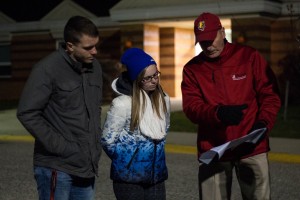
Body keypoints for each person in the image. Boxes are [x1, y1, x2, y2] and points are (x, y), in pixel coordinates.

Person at [181, 12, 281, 200]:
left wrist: (263, 123)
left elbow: (270, 94)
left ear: (222, 31)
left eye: (211, 39)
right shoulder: (192, 69)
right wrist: (216, 113)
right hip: (213, 148)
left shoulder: (249, 56)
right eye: (202, 42)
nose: (208, 46)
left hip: (251, 146)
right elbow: (191, 107)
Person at [17, 16, 103, 200]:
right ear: (70, 46)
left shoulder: (95, 68)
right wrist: (62, 147)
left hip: (86, 167)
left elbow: (95, 109)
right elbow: (27, 112)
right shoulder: (46, 69)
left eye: (96, 45)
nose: (95, 52)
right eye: (88, 47)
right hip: (56, 166)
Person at [101, 47, 170, 200]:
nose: (154, 81)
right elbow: (107, 140)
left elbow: (165, 128)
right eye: (147, 78)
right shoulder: (122, 104)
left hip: (156, 177)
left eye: (155, 75)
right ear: (137, 79)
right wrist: (128, 159)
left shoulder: (164, 100)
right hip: (128, 179)